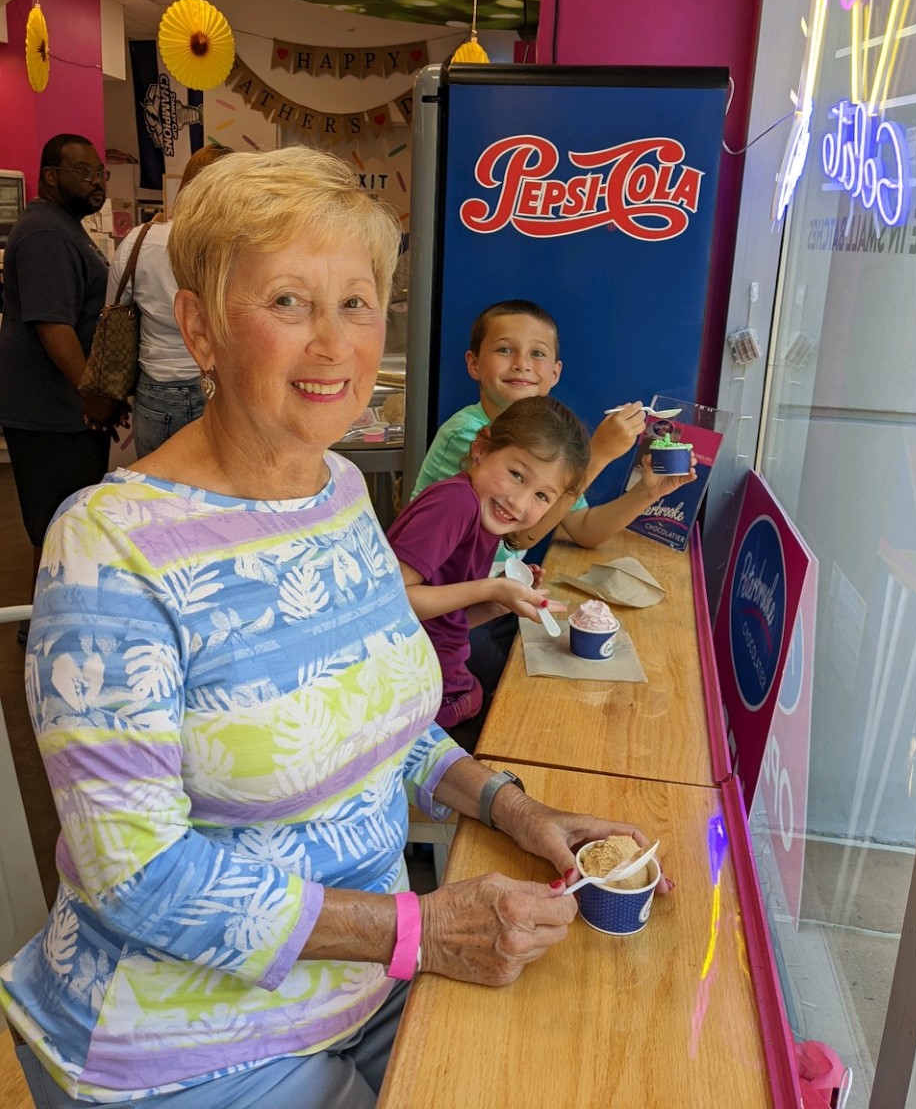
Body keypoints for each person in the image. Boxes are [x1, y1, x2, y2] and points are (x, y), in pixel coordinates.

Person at [0, 146, 668, 1109]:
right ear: (199, 328)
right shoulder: (109, 549)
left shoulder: (341, 491)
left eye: (356, 304)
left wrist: (515, 808)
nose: (334, 345)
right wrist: (421, 930)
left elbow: (377, 725)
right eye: (287, 303)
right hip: (185, 1045)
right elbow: (137, 877)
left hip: (363, 983)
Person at [411, 299, 697, 692]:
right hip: (441, 619)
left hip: (487, 600)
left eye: (537, 354)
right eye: (504, 349)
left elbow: (582, 529)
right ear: (474, 363)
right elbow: (520, 535)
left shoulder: (544, 441)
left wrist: (648, 493)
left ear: (555, 373)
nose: (522, 364)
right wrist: (597, 455)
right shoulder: (472, 437)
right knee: (521, 691)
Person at [388, 395, 588, 750]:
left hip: (445, 683)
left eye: (542, 496)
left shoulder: (483, 520)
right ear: (481, 448)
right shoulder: (456, 503)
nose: (519, 502)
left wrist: (499, 604)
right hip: (413, 699)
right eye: (516, 475)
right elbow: (392, 603)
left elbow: (446, 622)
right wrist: (490, 590)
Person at [0, 135, 122, 638]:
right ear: (50, 175)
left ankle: (49, 624)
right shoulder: (46, 235)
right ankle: (45, 632)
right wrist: (89, 391)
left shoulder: (62, 227)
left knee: (62, 525)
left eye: (100, 173)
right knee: (57, 526)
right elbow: (53, 325)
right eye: (83, 172)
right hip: (51, 413)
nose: (95, 181)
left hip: (63, 410)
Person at [107, 144, 233, 455]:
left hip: (155, 389)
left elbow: (113, 306)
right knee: (219, 498)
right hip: (223, 385)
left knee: (157, 496)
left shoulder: (140, 239)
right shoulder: (236, 246)